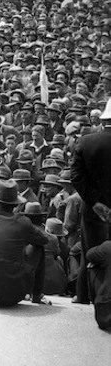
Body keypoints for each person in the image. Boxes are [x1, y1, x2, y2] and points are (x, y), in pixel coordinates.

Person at [70, 98, 111, 304]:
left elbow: (75, 176)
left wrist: (94, 202)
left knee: (90, 250)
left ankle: (85, 295)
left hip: (92, 208)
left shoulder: (86, 142)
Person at [86, 239, 111, 329]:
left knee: (91, 266)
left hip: (106, 311)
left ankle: (96, 298)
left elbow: (89, 255)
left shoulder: (107, 247)